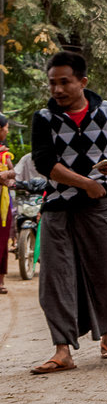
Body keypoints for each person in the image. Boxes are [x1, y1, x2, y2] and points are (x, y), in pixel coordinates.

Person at [29, 51, 107, 373]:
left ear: (82, 81)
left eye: (65, 82)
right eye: (52, 83)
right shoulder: (44, 118)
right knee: (56, 277)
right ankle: (62, 350)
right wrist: (86, 184)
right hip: (56, 207)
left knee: (102, 273)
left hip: (97, 207)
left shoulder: (106, 112)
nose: (58, 89)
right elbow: (43, 163)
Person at [0, 115, 13, 293]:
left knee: (2, 238)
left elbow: (13, 172)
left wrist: (7, 176)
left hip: (3, 200)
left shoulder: (4, 153)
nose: (7, 131)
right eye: (6, 127)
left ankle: (1, 280)